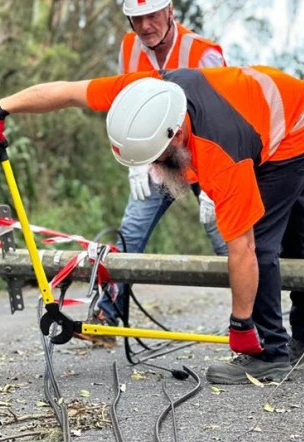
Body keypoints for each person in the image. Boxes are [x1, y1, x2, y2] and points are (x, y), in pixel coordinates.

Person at [0, 66, 304, 384]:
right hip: (275, 105)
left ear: (178, 136)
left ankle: (270, 354)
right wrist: (3, 107)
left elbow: (243, 249)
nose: (155, 169)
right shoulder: (143, 94)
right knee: (295, 222)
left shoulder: (221, 156)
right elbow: (70, 92)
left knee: (262, 237)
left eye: (158, 159)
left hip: (296, 125)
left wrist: (241, 325)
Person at [94, 0, 228, 335]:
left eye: (152, 16)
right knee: (131, 229)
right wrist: (136, 161)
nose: (145, 26)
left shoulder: (203, 54)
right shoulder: (129, 48)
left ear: (170, 12)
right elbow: (128, 107)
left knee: (227, 237)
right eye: (136, 19)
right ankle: (107, 314)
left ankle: (254, 320)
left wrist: (216, 183)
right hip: (161, 157)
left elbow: (225, 119)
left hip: (207, 155)